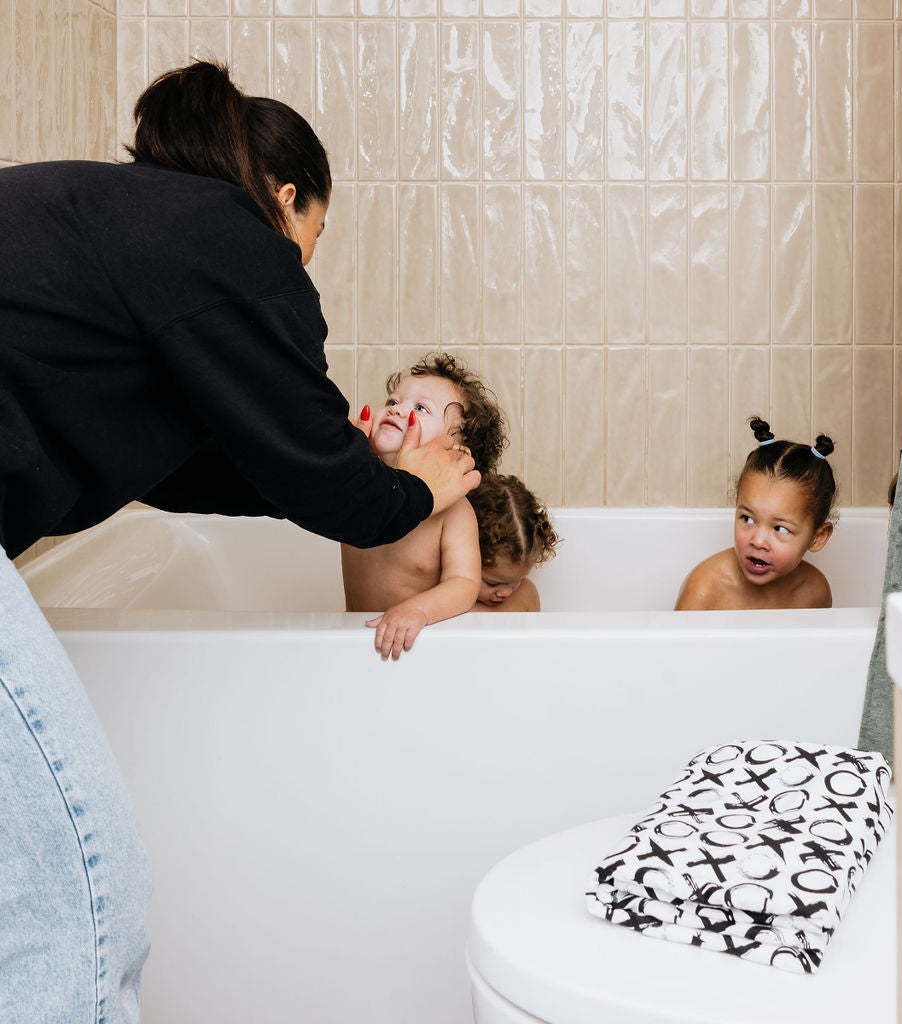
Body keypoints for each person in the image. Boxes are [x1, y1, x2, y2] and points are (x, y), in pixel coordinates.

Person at [0, 61, 478, 1024]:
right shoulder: (235, 238)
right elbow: (336, 494)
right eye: (315, 237)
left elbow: (190, 468)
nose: (305, 263)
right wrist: (407, 488)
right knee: (82, 899)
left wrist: (323, 456)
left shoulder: (117, 223)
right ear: (288, 200)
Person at [342, 353, 507, 659]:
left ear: (455, 450)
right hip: (359, 637)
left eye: (420, 408)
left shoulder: (453, 512)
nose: (398, 410)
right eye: (393, 402)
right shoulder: (357, 485)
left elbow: (464, 583)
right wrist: (343, 452)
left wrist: (418, 610)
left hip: (416, 644)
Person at [675, 417, 836, 610]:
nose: (758, 541)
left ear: (817, 538)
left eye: (780, 528)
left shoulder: (813, 591)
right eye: (748, 518)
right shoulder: (705, 589)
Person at [468, 474, 560, 611]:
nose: (506, 593)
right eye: (492, 583)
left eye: (517, 581)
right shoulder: (445, 604)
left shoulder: (525, 597)